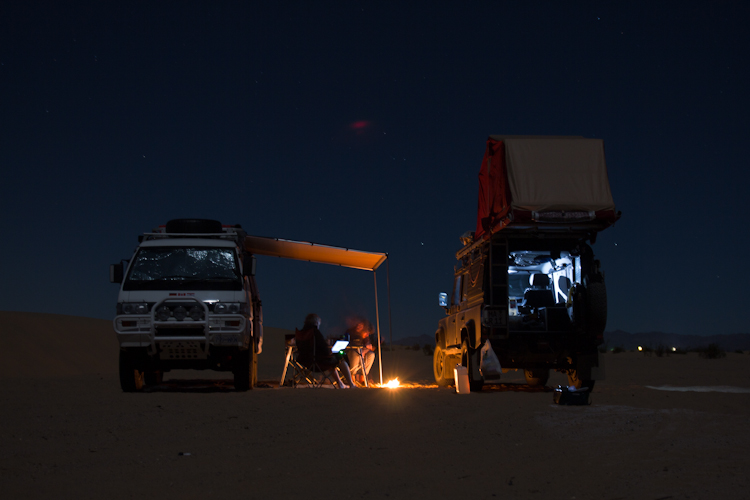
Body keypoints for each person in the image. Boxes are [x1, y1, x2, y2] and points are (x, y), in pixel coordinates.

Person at [295, 313, 356, 389]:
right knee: (340, 357)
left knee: (330, 360)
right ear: (316, 323)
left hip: (305, 361)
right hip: (318, 362)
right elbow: (324, 350)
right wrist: (330, 350)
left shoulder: (301, 333)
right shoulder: (314, 332)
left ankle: (340, 384)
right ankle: (351, 384)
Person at [344, 317, 376, 386]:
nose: (358, 326)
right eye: (358, 324)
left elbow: (369, 346)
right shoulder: (350, 332)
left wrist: (366, 348)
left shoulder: (364, 334)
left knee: (371, 354)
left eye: (361, 325)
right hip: (350, 353)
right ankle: (351, 377)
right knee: (356, 353)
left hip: (361, 353)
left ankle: (363, 377)